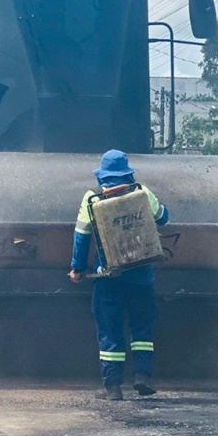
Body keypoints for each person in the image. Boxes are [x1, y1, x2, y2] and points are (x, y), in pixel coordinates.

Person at [68, 150, 169, 401]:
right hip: (141, 274)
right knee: (142, 326)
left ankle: (113, 386)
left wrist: (77, 268)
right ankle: (142, 376)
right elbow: (164, 218)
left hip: (108, 276)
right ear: (128, 172)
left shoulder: (92, 198)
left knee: (109, 327)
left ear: (102, 176)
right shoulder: (142, 192)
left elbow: (82, 236)